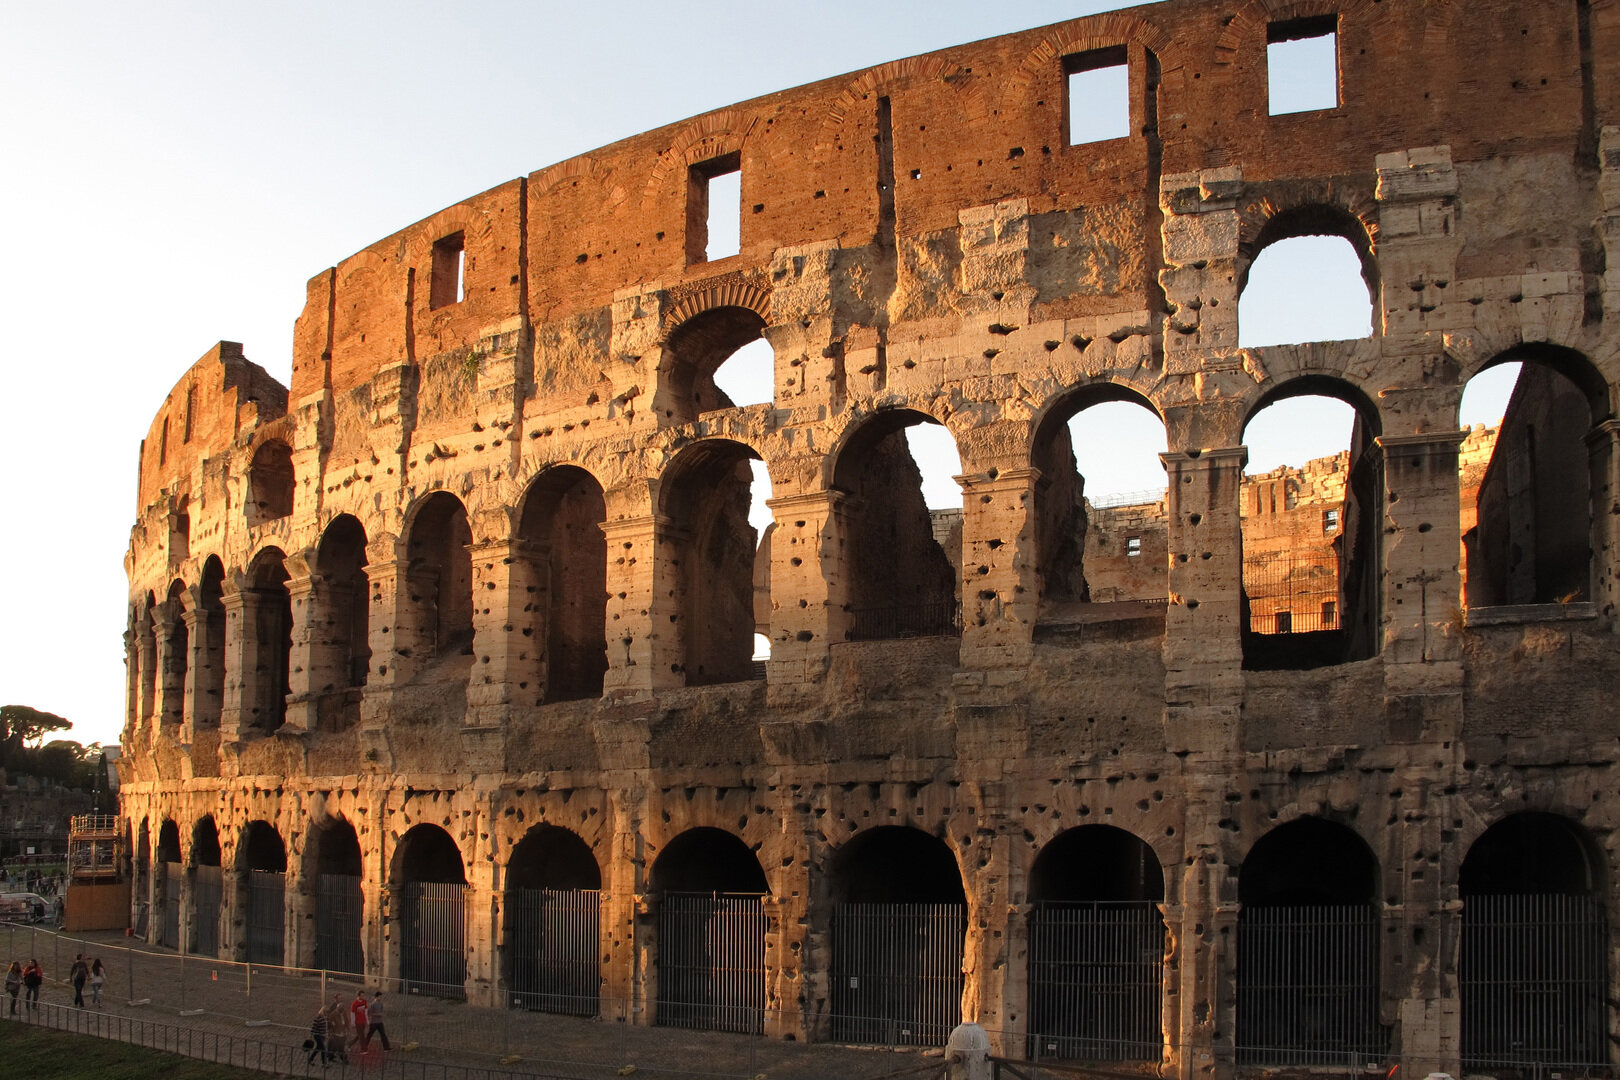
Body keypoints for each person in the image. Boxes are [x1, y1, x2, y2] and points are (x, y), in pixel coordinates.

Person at [325, 995, 350, 1064]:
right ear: (338, 1008)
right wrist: (331, 1032)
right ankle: (344, 1059)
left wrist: (348, 1029)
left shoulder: (344, 1013)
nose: (343, 1011)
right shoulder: (333, 1014)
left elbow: (346, 1021)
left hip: (343, 1033)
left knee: (336, 1047)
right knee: (340, 1048)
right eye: (342, 1009)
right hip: (336, 1033)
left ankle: (329, 1056)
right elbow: (330, 1024)